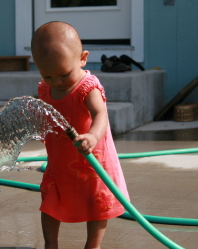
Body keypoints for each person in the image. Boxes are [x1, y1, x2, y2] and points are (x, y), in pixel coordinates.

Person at [31, 21, 130, 249]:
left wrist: (93, 137)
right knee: (50, 202)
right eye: (47, 76)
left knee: (96, 203)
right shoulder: (46, 89)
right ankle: (50, 245)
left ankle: (92, 246)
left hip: (90, 159)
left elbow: (101, 115)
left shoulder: (87, 87)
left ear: (83, 58)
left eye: (63, 74)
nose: (56, 82)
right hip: (59, 160)